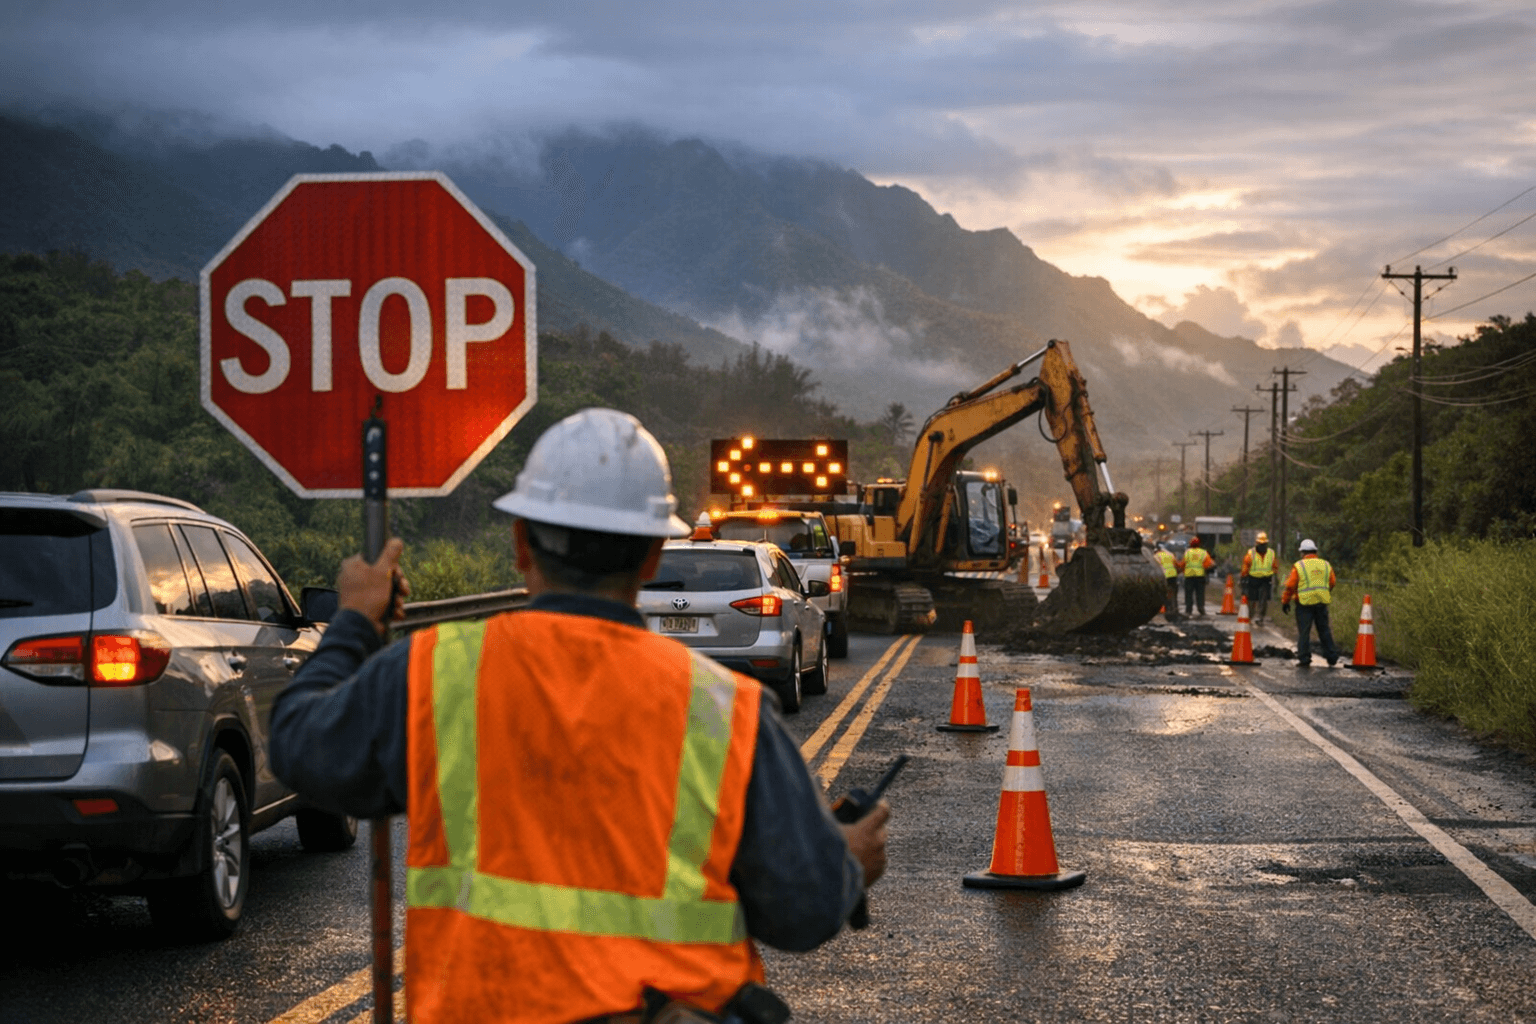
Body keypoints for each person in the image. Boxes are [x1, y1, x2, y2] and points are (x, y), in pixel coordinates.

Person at [269, 408, 888, 1024]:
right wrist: (845, 863)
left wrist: (353, 619)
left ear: (520, 546)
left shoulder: (435, 672)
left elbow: (300, 747)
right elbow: (801, 912)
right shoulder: (725, 710)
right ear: (652, 557)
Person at [1280, 537, 1340, 667]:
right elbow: (1332, 582)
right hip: (1321, 603)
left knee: (1304, 631)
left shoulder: (1299, 565)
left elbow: (1290, 586)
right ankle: (1332, 656)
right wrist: (1323, 592)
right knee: (1324, 630)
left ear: (1302, 553)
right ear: (1315, 551)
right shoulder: (1325, 564)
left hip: (1304, 604)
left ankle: (1304, 658)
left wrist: (1285, 601)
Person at [1240, 531, 1278, 625]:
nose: (1262, 546)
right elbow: (1246, 566)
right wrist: (1243, 578)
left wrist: (1275, 579)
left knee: (1263, 600)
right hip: (1253, 579)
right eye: (1260, 544)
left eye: (1264, 544)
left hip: (1265, 579)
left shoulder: (1271, 553)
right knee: (1252, 599)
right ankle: (1250, 616)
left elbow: (1275, 567)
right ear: (1256, 543)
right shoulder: (1251, 553)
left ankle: (1260, 617)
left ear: (1266, 544)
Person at [1177, 535, 1215, 615]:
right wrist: (1204, 569)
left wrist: (1179, 570)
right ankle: (1201, 608)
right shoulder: (1203, 552)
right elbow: (1210, 564)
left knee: (1188, 593)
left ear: (1190, 544)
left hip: (1189, 576)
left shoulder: (1187, 552)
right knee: (1200, 593)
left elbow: (1182, 564)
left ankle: (1188, 609)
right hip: (1200, 576)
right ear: (1199, 544)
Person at [1152, 542, 1179, 615]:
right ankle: (1174, 608)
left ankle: (1166, 608)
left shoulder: (1156, 556)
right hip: (1173, 575)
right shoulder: (1171, 554)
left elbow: (1155, 567)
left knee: (1164, 592)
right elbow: (1176, 564)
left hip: (1164, 576)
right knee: (1173, 592)